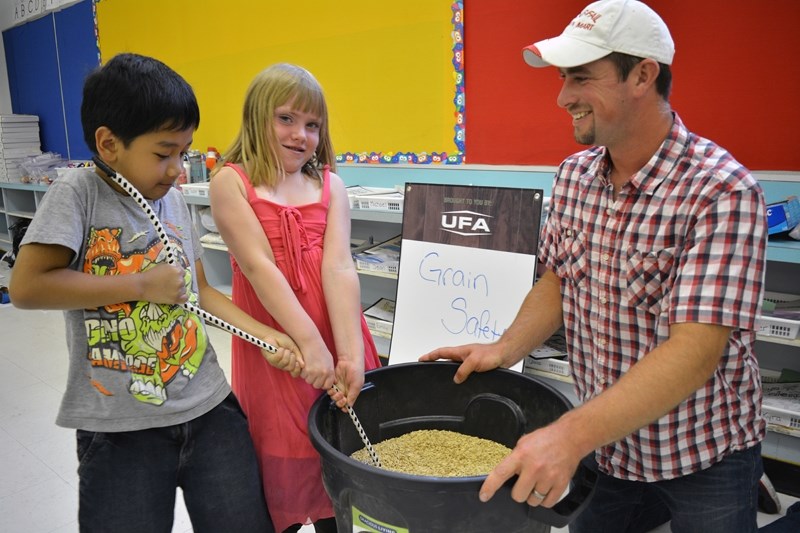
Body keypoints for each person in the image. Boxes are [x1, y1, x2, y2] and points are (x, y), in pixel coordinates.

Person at [421, 1, 768, 532]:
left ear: (643, 76)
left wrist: (567, 436)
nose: (563, 98)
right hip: (609, 447)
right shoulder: (574, 176)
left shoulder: (721, 190)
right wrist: (504, 348)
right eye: (563, 79)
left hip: (704, 454)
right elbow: (559, 280)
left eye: (582, 78)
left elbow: (695, 352)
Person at [8, 52, 300, 532]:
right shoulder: (78, 192)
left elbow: (200, 292)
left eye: (183, 153)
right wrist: (141, 284)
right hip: (120, 428)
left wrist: (266, 336)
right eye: (163, 153)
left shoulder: (175, 202)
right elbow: (27, 287)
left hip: (209, 410)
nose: (176, 169)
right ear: (109, 144)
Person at [209, 63, 382, 533]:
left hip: (337, 334)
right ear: (257, 117)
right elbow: (259, 269)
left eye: (311, 124)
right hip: (281, 348)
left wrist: (346, 353)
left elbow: (340, 266)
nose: (300, 134)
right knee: (284, 453)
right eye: (286, 119)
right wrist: (310, 346)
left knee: (343, 449)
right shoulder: (231, 182)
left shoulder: (331, 185)